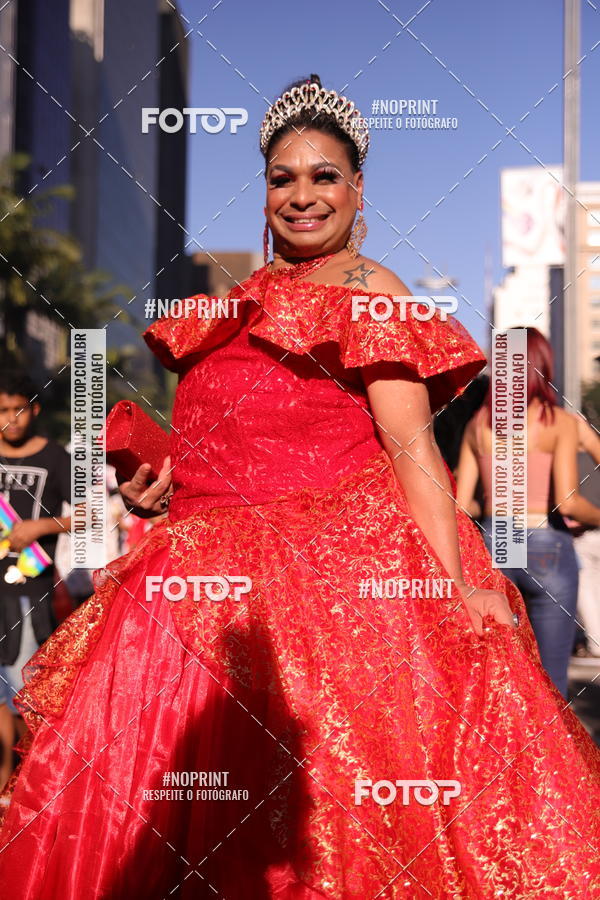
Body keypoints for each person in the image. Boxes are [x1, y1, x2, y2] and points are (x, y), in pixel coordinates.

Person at [0, 75, 599, 899]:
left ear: (358, 191)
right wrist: (161, 476)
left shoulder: (371, 293)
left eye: (324, 177)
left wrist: (461, 588)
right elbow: (228, 447)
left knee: (326, 831)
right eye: (283, 178)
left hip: (333, 602)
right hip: (191, 603)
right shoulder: (233, 303)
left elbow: (413, 450)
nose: (302, 196)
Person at [456, 326, 600, 698]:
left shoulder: (480, 425)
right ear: (543, 365)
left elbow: (462, 504)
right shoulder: (559, 423)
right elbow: (569, 502)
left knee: (500, 673)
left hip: (496, 542)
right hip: (546, 545)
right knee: (551, 681)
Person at [0, 372, 71, 789]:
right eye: (3, 411)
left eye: (18, 409)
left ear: (34, 409)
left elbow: (91, 514)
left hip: (29, 592)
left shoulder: (57, 457)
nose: (11, 419)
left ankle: (26, 786)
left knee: (21, 689)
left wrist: (40, 526)